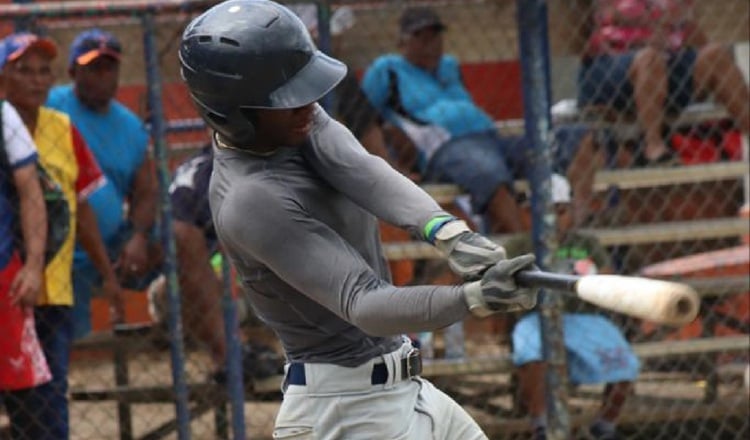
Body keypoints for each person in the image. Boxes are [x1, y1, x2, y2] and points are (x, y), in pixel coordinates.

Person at [180, 1, 540, 438]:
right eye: (290, 98)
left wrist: (447, 233)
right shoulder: (251, 199)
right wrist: (475, 298)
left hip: (403, 388)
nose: (309, 104)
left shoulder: (289, 119)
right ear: (233, 114)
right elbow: (365, 305)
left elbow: (366, 173)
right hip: (345, 413)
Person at [1, 32, 123, 439]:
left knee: (48, 405)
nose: (37, 81)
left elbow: (80, 207)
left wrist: (107, 273)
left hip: (52, 290)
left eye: (43, 73)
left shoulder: (60, 127)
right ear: (3, 79)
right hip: (8, 286)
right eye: (24, 72)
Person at [361, 6, 530, 234]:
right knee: (487, 171)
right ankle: (530, 254)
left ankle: (579, 236)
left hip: (490, 137)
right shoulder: (387, 69)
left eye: (435, 36)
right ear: (402, 42)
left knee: (571, 140)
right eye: (421, 37)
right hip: (447, 148)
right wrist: (393, 162)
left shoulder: (449, 65)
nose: (431, 44)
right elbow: (362, 118)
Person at [504, 174, 639, 440]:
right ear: (528, 214)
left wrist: (594, 276)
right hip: (536, 317)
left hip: (584, 317)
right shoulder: (519, 246)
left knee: (626, 363)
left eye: (561, 211)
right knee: (530, 351)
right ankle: (542, 426)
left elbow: (609, 279)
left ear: (571, 211)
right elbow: (507, 290)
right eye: (543, 212)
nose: (553, 220)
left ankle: (605, 426)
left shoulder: (585, 244)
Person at [46, 28, 158, 339]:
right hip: (60, 240)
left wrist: (137, 236)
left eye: (110, 68)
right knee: (67, 332)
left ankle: (165, 315)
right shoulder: (51, 107)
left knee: (172, 237)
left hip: (114, 241)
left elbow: (146, 191)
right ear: (72, 72)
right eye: (94, 68)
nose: (104, 77)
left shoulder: (131, 127)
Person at [578, 0, 750, 166]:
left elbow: (687, 27)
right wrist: (654, 23)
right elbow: (611, 13)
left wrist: (706, 67)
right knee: (650, 58)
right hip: (610, 66)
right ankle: (654, 148)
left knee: (716, 56)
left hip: (664, 67)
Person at [0, 97, 52, 439]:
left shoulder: (2, 113)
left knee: (25, 406)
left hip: (3, 272)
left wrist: (34, 266)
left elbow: (31, 191)